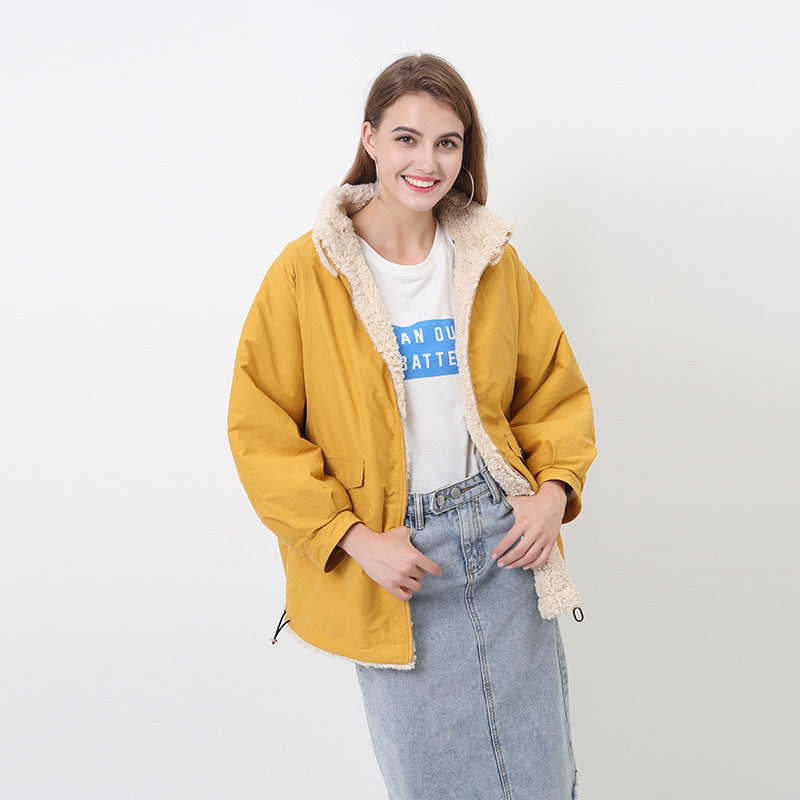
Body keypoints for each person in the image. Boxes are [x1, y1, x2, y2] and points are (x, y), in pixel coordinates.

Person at [228, 53, 596, 800]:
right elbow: (260, 431)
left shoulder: (490, 261)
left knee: (541, 776)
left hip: (505, 543)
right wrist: (353, 539)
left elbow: (552, 389)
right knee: (430, 782)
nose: (426, 162)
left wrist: (553, 493)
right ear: (369, 138)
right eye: (406, 138)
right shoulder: (307, 273)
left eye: (446, 143)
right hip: (396, 560)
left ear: (465, 153)